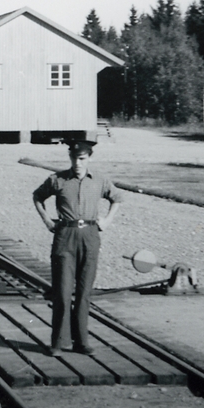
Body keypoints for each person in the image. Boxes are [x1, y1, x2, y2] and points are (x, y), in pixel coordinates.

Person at [32, 133, 122, 355]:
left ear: (89, 158)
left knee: (84, 292)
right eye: (74, 158)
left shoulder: (100, 181)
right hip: (65, 236)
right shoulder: (58, 179)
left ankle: (82, 341)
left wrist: (107, 221)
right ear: (70, 158)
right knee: (62, 291)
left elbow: (117, 199)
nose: (77, 163)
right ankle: (59, 342)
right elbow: (37, 197)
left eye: (82, 159)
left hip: (90, 235)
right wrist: (46, 220)